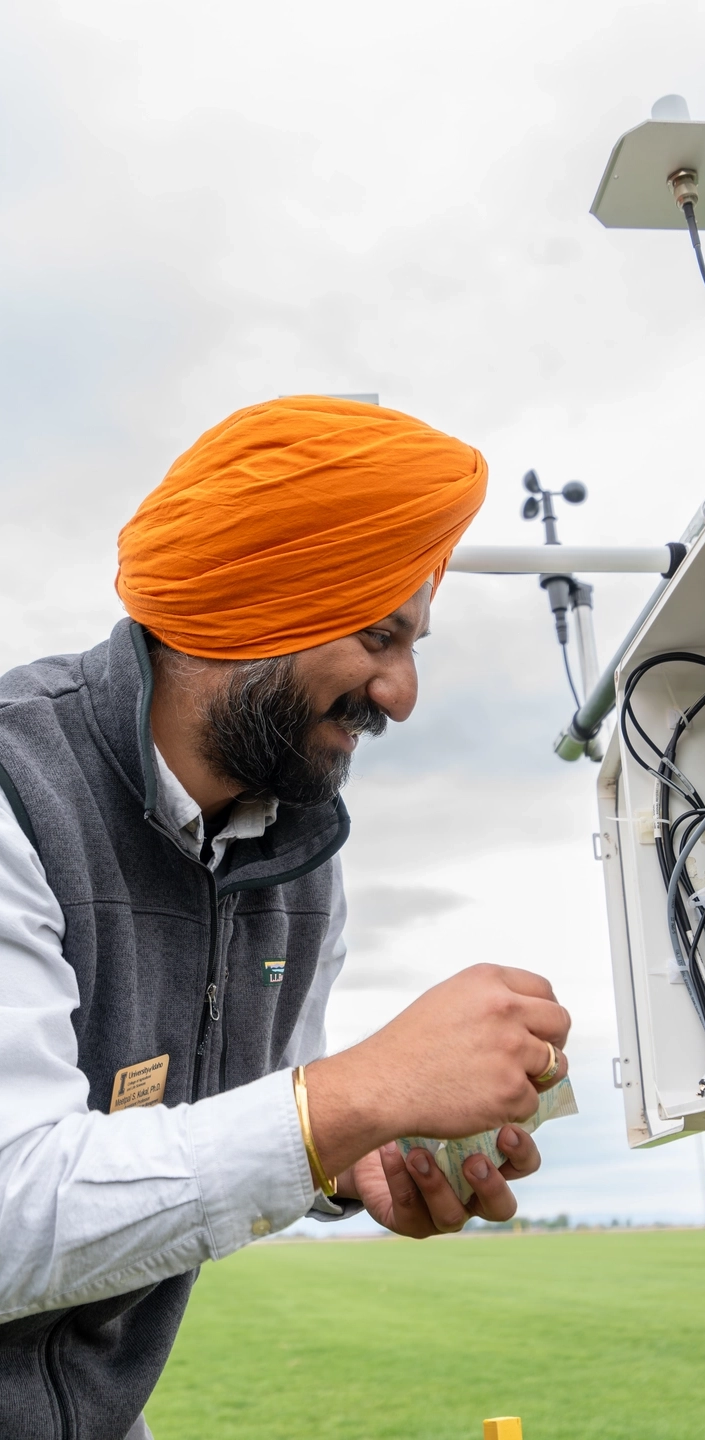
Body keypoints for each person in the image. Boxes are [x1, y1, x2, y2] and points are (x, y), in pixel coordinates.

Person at [0, 396, 570, 1439]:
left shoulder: (301, 857)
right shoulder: (14, 789)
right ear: (255, 606)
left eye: (414, 641)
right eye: (378, 636)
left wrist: (349, 1160)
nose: (401, 694)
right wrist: (347, 1097)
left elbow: (256, 1117)